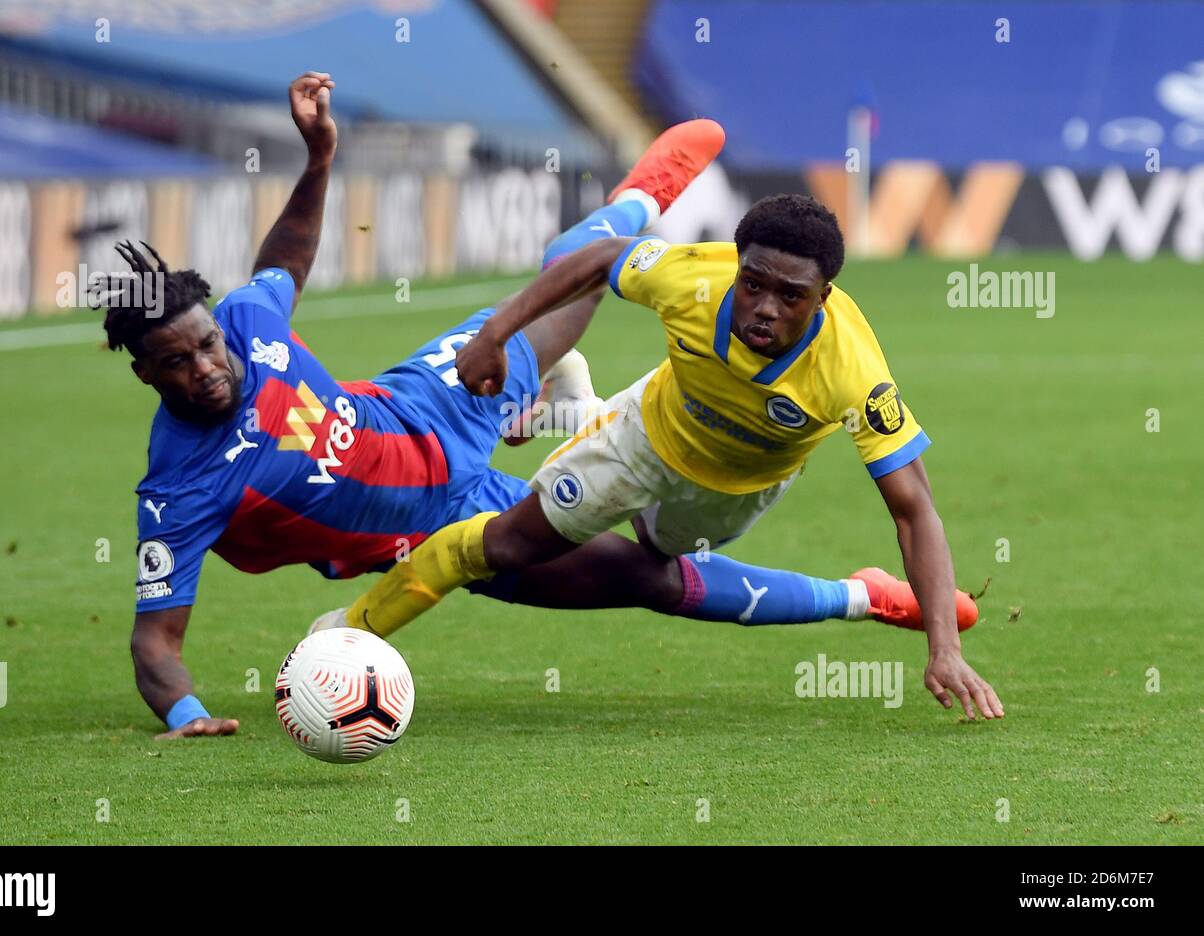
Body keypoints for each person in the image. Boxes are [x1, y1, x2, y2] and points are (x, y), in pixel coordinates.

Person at [112, 73, 977, 739]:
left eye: (206, 343)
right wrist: (188, 717)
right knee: (650, 580)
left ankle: (633, 206)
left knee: (573, 279)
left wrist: (321, 158)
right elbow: (156, 646)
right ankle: (859, 598)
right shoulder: (181, 490)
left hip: (433, 402)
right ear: (148, 377)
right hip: (427, 521)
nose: (207, 365)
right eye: (177, 362)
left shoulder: (249, 324)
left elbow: (287, 258)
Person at [325, 185, 1002, 721]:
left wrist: (945, 650)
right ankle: (347, 634)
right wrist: (498, 332)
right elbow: (593, 259)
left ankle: (573, 405)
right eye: (754, 283)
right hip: (642, 438)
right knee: (507, 546)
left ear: (824, 298)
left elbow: (915, 508)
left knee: (654, 560)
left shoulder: (853, 370)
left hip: (737, 488)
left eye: (791, 297)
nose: (765, 307)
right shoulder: (694, 279)